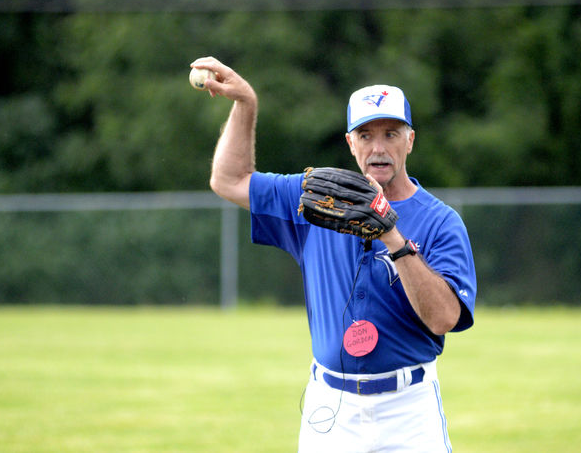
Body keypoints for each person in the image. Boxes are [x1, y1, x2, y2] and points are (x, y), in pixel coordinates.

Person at [194, 56, 477, 452]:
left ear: (410, 139)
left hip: (409, 410)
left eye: (391, 134)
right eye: (365, 135)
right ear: (350, 142)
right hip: (330, 409)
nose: (378, 148)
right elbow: (228, 180)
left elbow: (445, 318)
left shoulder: (440, 222)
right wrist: (246, 106)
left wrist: (392, 236)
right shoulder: (317, 198)